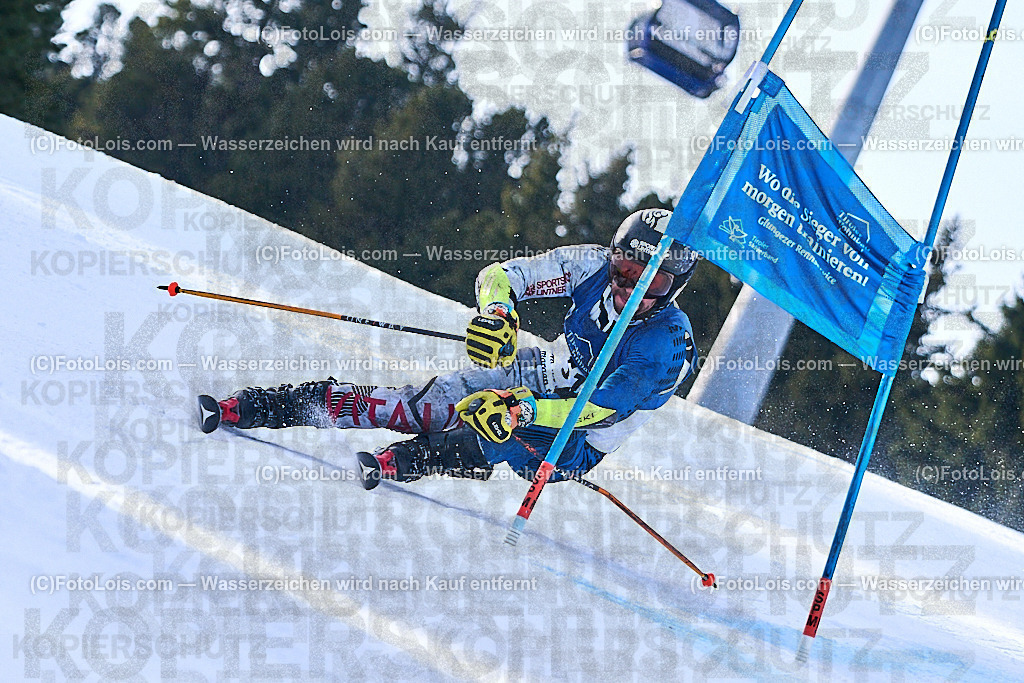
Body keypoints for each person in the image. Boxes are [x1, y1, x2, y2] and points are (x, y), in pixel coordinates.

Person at [200, 209, 699, 489]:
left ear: (674, 286)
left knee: (497, 428)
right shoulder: (588, 265)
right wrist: (498, 313)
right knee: (419, 406)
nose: (630, 288)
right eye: (623, 270)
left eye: (650, 280)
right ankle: (273, 405)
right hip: (541, 373)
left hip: (575, 438)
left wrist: (523, 409)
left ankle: (421, 457)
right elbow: (502, 275)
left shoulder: (665, 345)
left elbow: (598, 411)